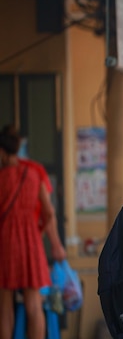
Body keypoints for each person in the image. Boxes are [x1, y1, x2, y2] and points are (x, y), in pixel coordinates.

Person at [0, 125, 66, 339]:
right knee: (34, 303)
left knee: (5, 303)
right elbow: (48, 212)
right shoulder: (33, 173)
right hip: (31, 240)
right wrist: (38, 232)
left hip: (5, 242)